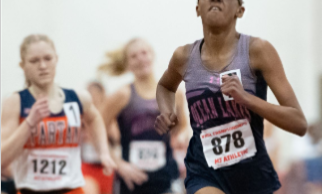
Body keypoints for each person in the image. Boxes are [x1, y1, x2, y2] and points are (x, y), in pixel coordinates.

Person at [154, 0, 308, 194]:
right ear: (198, 8)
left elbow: (299, 123)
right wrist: (168, 111)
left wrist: (247, 99)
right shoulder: (183, 57)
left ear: (240, 10)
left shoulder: (258, 51)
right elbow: (165, 86)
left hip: (253, 175)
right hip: (204, 171)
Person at [1, 34, 116, 194]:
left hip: (71, 189)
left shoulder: (78, 98)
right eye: (34, 61)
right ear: (23, 65)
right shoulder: (15, 102)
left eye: (48, 58)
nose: (42, 65)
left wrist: (103, 152)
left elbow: (95, 118)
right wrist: (29, 123)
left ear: (56, 59)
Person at [99, 38, 189, 194]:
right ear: (127, 64)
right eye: (134, 56)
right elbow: (97, 128)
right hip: (132, 181)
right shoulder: (123, 95)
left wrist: (182, 136)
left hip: (166, 179)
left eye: (144, 53)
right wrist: (119, 164)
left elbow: (184, 127)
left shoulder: (174, 93)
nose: (140, 58)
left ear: (152, 56)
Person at [81, 81, 120, 194]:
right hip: (87, 165)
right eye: (89, 94)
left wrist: (102, 131)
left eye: (94, 94)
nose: (92, 98)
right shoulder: (82, 117)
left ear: (102, 95)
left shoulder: (111, 118)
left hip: (105, 167)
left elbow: (116, 138)